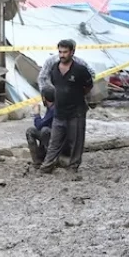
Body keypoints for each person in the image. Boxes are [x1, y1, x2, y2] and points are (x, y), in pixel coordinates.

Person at [39, 40, 95, 173]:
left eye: (65, 52)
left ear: (72, 52)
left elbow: (89, 85)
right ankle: (46, 166)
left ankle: (73, 168)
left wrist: (77, 95)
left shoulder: (80, 69)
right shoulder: (54, 68)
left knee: (76, 141)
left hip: (77, 111)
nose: (62, 55)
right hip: (59, 111)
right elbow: (49, 83)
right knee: (55, 140)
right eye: (60, 52)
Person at [25, 94, 71, 166]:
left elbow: (39, 125)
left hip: (60, 142)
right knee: (31, 131)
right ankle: (37, 161)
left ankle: (50, 159)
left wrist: (37, 113)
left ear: (44, 98)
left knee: (44, 130)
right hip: (56, 138)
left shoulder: (53, 109)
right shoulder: (52, 107)